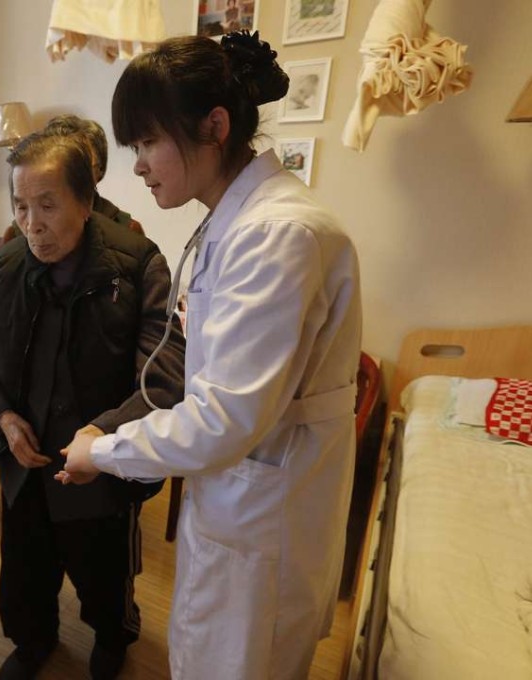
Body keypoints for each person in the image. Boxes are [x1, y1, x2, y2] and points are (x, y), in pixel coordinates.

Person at [58, 31, 362, 679]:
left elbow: (223, 418)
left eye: (146, 142)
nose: (137, 165)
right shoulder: (236, 223)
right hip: (239, 501)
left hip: (261, 520)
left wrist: (102, 452)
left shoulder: (276, 234)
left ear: (214, 126)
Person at [0, 131, 184, 680]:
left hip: (99, 467)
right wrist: (1, 415)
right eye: (21, 206)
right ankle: (32, 641)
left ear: (86, 203)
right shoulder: (10, 261)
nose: (32, 223)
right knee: (23, 572)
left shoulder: (137, 264)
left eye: (47, 205)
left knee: (104, 575)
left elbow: (162, 377)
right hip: (25, 460)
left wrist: (102, 436)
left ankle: (113, 637)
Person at [0, 114, 143, 328]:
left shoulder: (126, 233)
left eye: (80, 162)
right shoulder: (18, 235)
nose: (34, 226)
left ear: (98, 171)